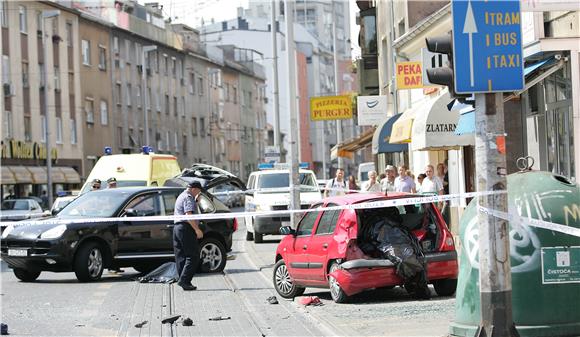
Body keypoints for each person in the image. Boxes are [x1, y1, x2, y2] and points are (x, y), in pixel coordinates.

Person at [173, 181, 204, 291]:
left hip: (177, 228)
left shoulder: (182, 195)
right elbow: (188, 214)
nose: (198, 193)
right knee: (193, 255)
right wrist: (196, 229)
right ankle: (184, 280)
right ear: (194, 189)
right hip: (186, 228)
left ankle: (183, 280)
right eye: (199, 191)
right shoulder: (188, 197)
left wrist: (196, 202)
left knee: (181, 255)